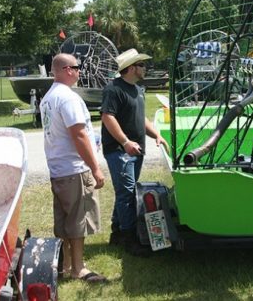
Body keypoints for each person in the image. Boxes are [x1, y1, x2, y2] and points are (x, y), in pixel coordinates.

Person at [40, 53, 107, 283]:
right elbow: (79, 135)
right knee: (78, 221)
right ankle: (78, 268)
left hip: (58, 169)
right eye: (77, 68)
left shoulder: (48, 97)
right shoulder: (68, 98)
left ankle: (67, 264)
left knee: (65, 221)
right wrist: (95, 168)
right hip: (74, 169)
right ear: (68, 69)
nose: (79, 71)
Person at [101, 48, 169, 256]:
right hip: (119, 151)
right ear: (131, 68)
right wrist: (125, 142)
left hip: (136, 150)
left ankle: (117, 232)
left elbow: (141, 119)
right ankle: (130, 239)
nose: (145, 68)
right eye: (141, 65)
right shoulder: (114, 89)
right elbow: (107, 117)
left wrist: (156, 134)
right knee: (127, 194)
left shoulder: (138, 90)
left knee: (125, 192)